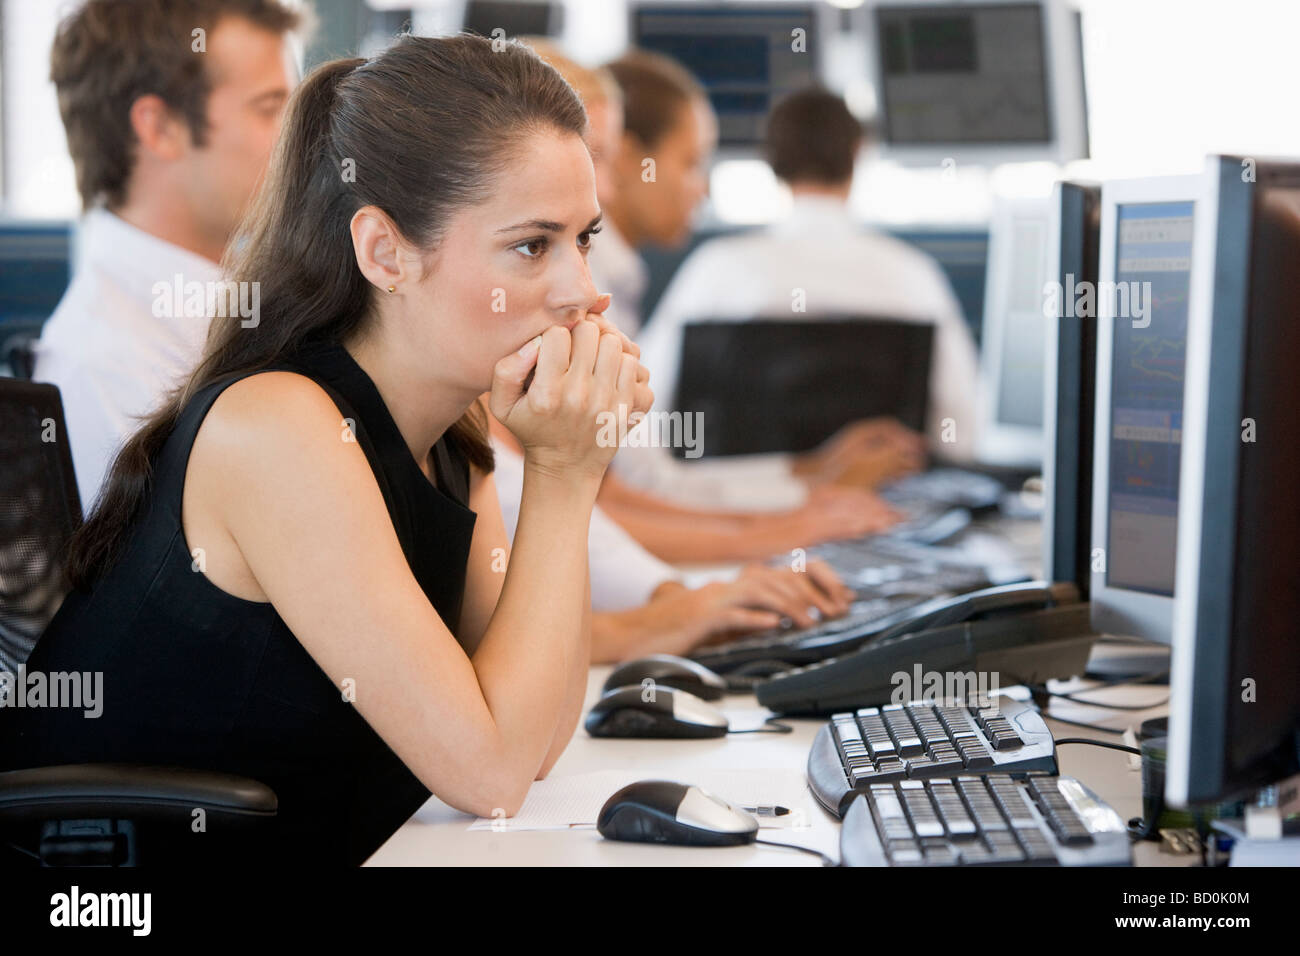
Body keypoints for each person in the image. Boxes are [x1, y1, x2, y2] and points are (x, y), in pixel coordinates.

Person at [3, 35, 652, 866]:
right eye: (532, 245)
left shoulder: (452, 429)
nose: (581, 291)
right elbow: (488, 774)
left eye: (584, 239)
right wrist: (564, 475)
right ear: (384, 252)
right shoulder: (279, 430)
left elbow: (534, 742)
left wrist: (574, 465)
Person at [32, 0, 301, 508]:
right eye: (270, 107)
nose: (299, 136)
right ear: (159, 128)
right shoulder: (111, 367)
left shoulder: (229, 306)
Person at [634, 87, 982, 470]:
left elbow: (648, 414)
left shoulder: (716, 272)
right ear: (857, 155)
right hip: (881, 509)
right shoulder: (914, 276)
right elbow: (960, 431)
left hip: (742, 513)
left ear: (772, 162)